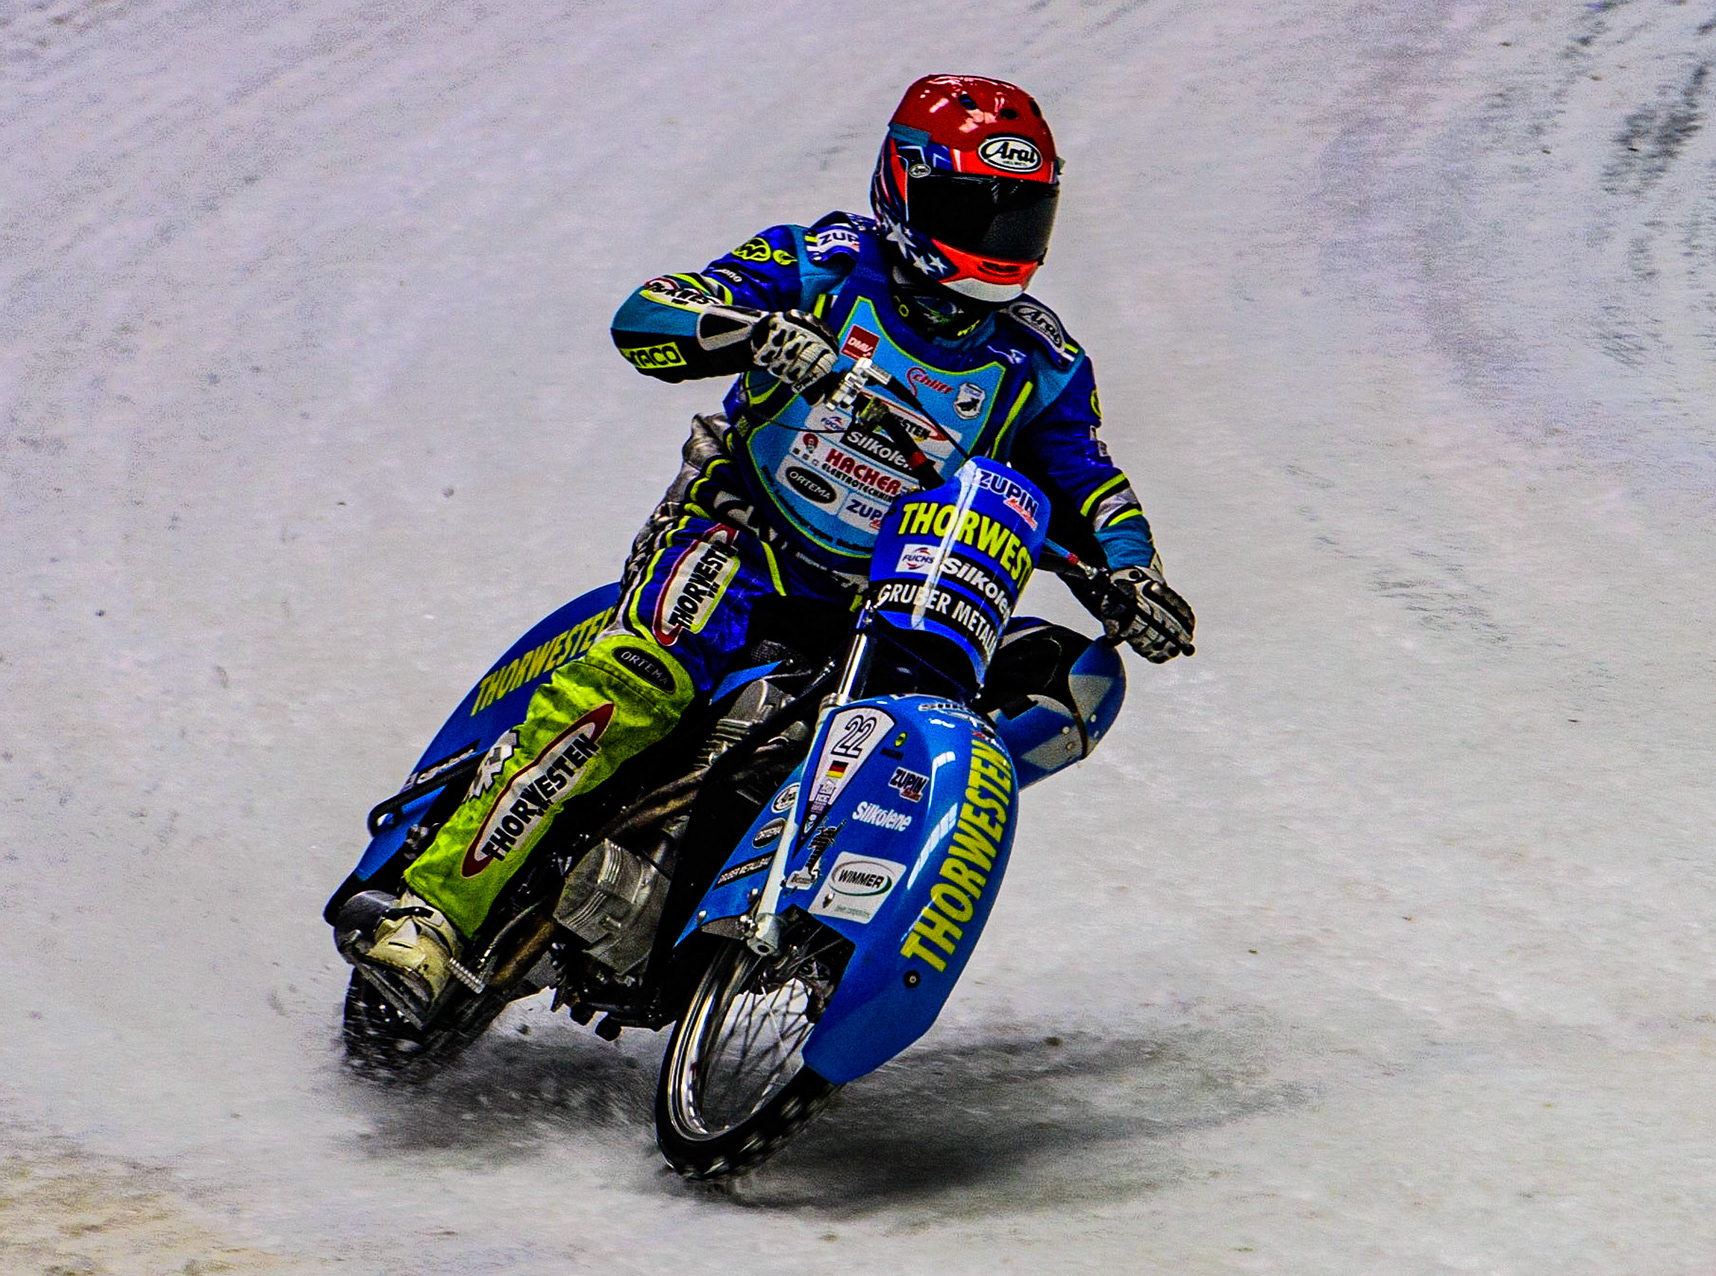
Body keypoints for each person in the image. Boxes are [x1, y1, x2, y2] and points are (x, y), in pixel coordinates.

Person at [354, 74, 1196, 1021]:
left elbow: (1089, 480)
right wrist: (755, 335)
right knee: (644, 674)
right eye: (977, 209)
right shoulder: (827, 262)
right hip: (738, 541)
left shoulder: (1042, 361)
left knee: (963, 724)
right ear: (907, 188)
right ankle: (431, 915)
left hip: (900, 599)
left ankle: (809, 936)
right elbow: (649, 313)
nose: (1002, 239)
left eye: (1023, 215)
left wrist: (1134, 573)